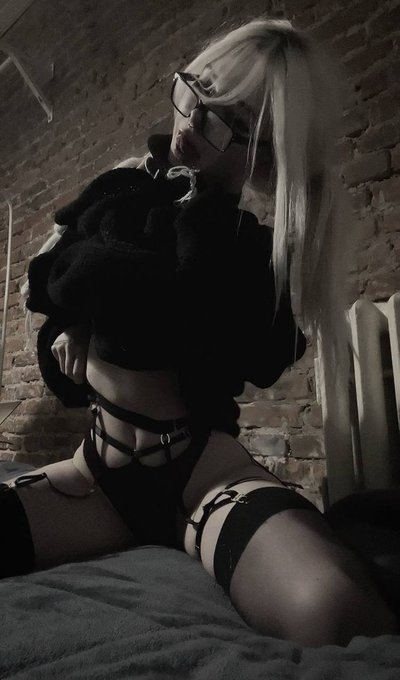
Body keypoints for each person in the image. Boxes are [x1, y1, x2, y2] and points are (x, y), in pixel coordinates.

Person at [3, 16, 398, 647]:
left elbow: (198, 329)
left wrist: (203, 210)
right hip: (96, 474)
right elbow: (53, 290)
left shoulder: (245, 250)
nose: (190, 121)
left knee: (335, 610)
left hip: (204, 476)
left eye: (225, 122)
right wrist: (76, 319)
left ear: (262, 152)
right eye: (195, 92)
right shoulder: (124, 194)